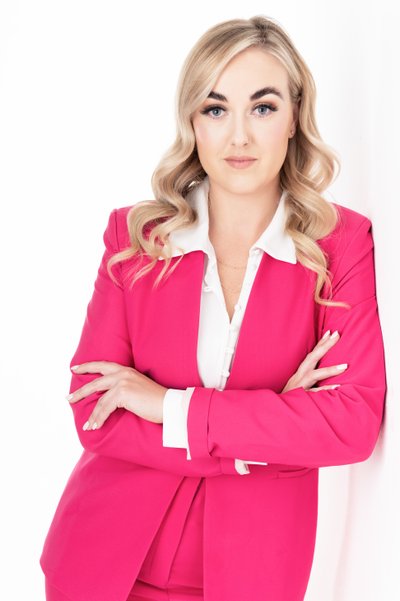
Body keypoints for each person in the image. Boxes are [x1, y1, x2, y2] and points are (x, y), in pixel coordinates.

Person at [39, 14, 387, 601]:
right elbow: (94, 412)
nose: (239, 137)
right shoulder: (136, 237)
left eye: (264, 106)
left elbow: (351, 425)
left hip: (251, 575)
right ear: (192, 122)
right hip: (98, 563)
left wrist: (167, 407)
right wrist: (263, 435)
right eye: (216, 108)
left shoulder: (340, 244)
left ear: (295, 116)